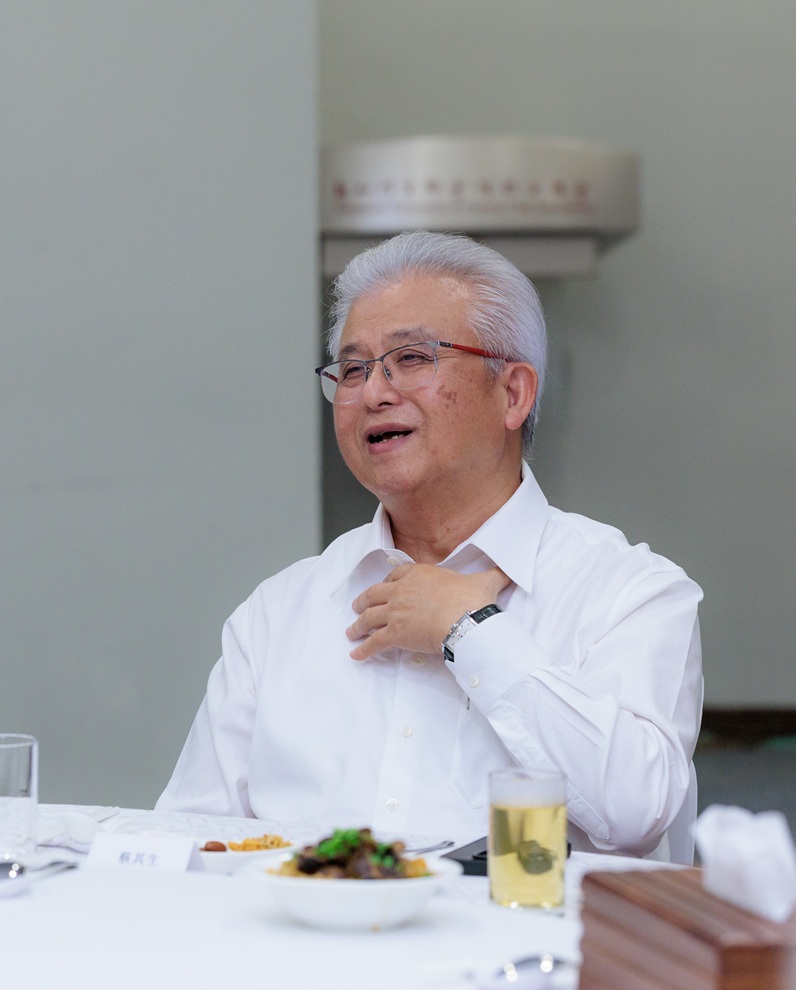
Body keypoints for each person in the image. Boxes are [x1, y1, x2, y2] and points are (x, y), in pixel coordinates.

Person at [157, 231, 702, 858]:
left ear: (513, 393)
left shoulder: (630, 592)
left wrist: (469, 630)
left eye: (412, 358)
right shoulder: (278, 613)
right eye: (353, 369)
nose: (373, 392)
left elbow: (637, 810)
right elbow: (189, 844)